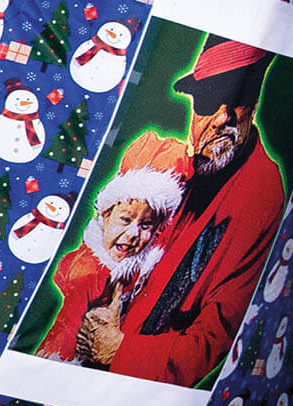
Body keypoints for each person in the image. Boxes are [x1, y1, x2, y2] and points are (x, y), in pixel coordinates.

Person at [88, 39, 288, 385]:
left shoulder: (260, 191)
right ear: (194, 109)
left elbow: (218, 333)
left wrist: (121, 350)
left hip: (138, 381)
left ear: (252, 105)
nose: (222, 117)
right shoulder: (164, 165)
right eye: (210, 98)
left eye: (238, 98)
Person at [35, 130, 186, 363]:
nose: (133, 234)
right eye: (125, 220)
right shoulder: (91, 270)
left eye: (146, 225)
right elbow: (67, 325)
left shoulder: (141, 266)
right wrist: (56, 361)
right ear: (105, 215)